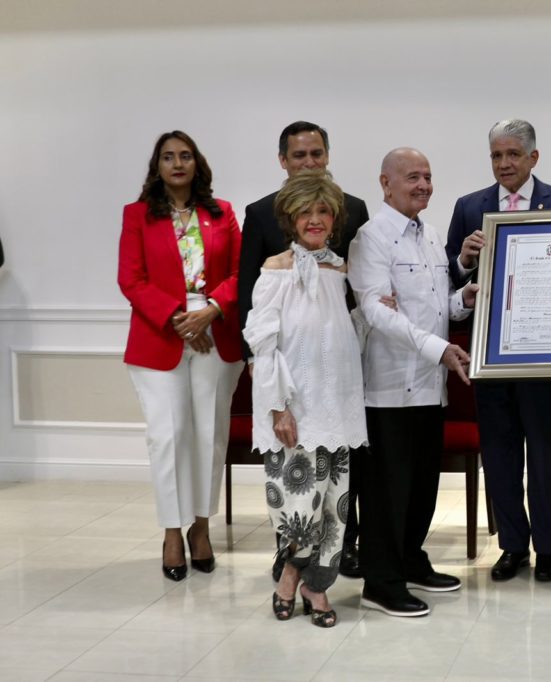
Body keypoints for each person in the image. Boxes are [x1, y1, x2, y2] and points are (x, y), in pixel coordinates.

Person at [446, 119, 551, 583]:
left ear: (533, 158)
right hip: (491, 354)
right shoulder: (470, 207)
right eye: (496, 156)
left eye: (513, 155)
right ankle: (511, 546)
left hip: (547, 357)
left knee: (545, 457)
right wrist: (464, 259)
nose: (504, 164)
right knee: (499, 456)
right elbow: (448, 281)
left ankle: (548, 549)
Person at [348, 147, 478, 617]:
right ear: (385, 183)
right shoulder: (371, 238)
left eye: (427, 176)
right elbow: (376, 311)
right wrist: (437, 348)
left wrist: (464, 296)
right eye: (412, 178)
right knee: (387, 491)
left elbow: (438, 305)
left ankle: (410, 559)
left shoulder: (429, 234)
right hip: (386, 388)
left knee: (422, 484)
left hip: (430, 385)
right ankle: (380, 582)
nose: (423, 185)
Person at [237, 121, 369, 581]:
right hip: (293, 390)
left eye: (316, 153)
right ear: (283, 161)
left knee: (334, 497)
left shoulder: (340, 256)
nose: (308, 161)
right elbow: (252, 315)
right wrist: (269, 390)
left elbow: (356, 304)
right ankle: (292, 575)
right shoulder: (272, 258)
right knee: (298, 494)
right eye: (299, 155)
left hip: (336, 392)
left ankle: (322, 579)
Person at [118, 130, 243, 581]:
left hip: (215, 330)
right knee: (167, 437)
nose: (177, 163)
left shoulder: (221, 212)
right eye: (168, 157)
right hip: (160, 335)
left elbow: (238, 272)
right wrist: (178, 318)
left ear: (197, 163)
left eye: (185, 156)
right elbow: (131, 279)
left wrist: (208, 312)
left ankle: (202, 528)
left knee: (209, 434)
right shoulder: (137, 216)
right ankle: (172, 530)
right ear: (157, 166)